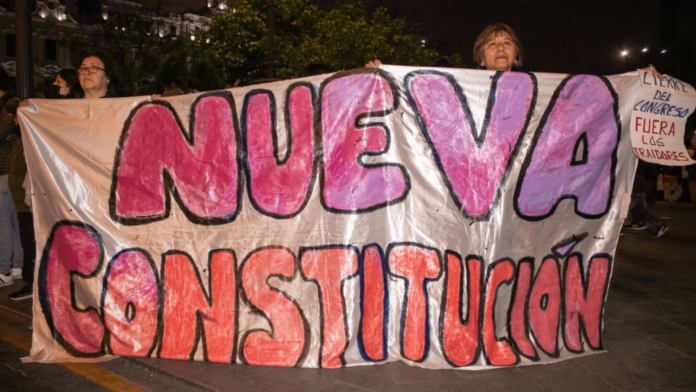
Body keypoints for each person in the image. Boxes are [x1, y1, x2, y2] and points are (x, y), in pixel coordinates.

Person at [624, 160, 669, 238]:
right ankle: (659, 225)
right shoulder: (643, 160)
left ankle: (618, 229)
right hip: (640, 188)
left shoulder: (634, 160)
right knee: (642, 210)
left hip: (634, 189)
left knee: (623, 210)